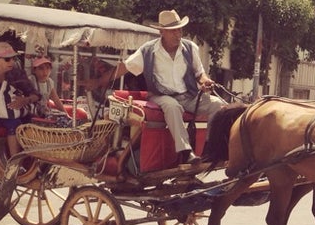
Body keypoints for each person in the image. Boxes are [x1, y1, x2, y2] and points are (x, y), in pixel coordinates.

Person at [81, 10, 226, 165]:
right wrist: (98, 82)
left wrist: (205, 81)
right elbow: (124, 67)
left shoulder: (190, 48)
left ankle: (209, 147)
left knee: (218, 105)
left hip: (188, 96)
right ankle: (186, 152)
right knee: (172, 106)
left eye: (180, 29)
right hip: (161, 96)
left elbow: (200, 74)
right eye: (173, 30)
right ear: (162, 31)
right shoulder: (148, 51)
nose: (178, 34)